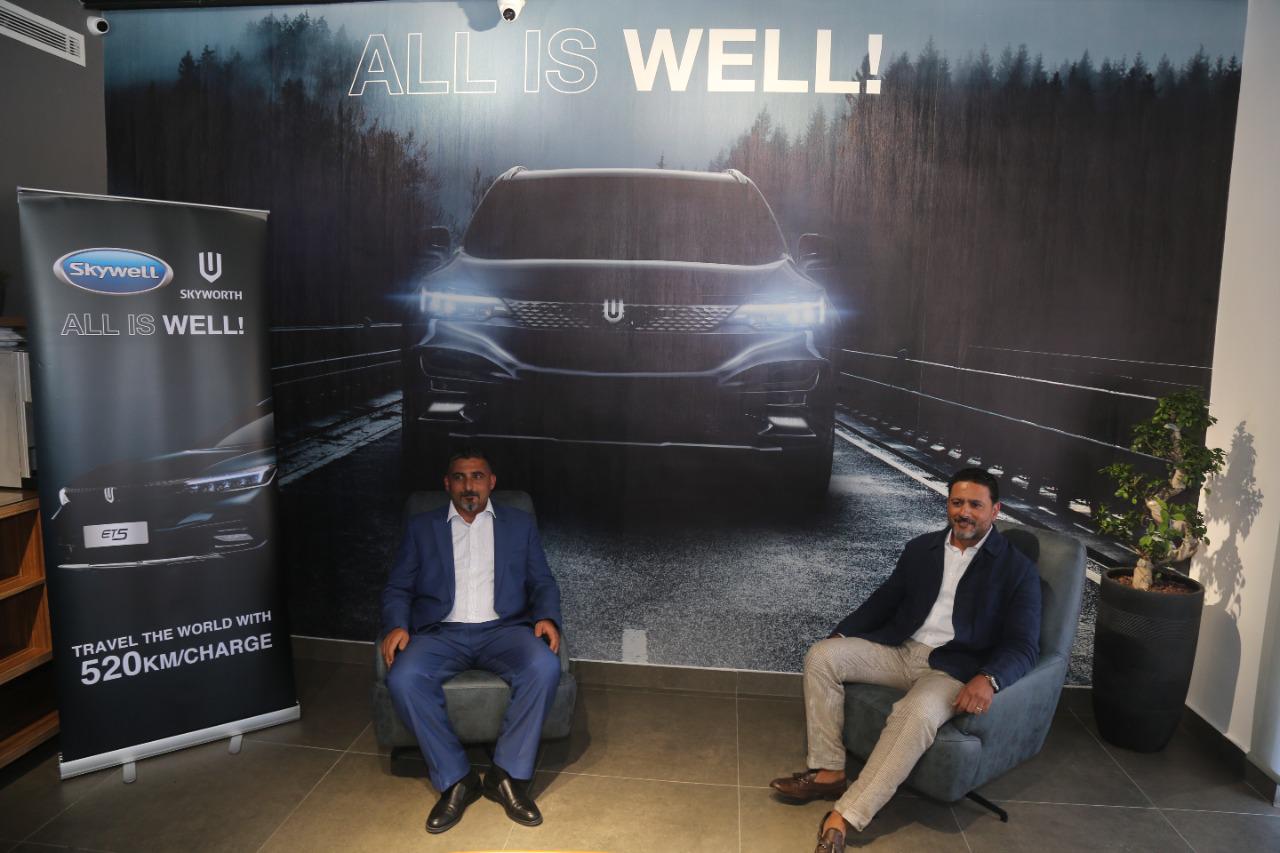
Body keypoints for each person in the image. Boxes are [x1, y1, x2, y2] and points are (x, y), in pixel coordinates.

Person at [770, 467, 1041, 852]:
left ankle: (844, 816)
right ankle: (829, 772)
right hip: (899, 649)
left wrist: (989, 678)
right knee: (822, 656)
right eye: (957, 502)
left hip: (952, 669)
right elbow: (884, 600)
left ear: (995, 510)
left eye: (975, 505)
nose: (964, 512)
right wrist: (843, 633)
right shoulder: (922, 549)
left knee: (915, 713)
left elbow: (1024, 644)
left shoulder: (1016, 569)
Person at [381, 447, 563, 834]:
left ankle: (506, 776)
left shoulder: (518, 524)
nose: (469, 486)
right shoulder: (422, 527)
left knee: (544, 666)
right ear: (447, 484)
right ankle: (456, 778)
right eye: (460, 477)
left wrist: (547, 617)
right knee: (404, 678)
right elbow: (398, 586)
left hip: (504, 630)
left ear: (491, 482)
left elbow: (542, 581)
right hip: (440, 633)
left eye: (477, 476)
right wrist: (397, 624)